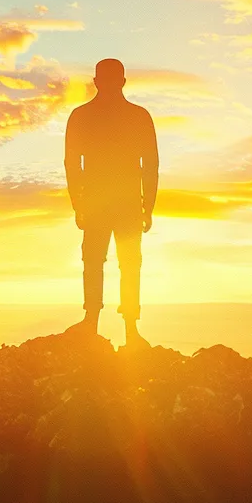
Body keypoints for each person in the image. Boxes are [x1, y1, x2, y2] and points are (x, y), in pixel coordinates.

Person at [64, 58, 157, 347]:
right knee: (129, 263)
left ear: (96, 82)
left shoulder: (80, 116)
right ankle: (129, 329)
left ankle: (92, 322)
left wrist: (77, 202)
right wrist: (148, 206)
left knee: (93, 261)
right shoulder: (139, 116)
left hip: (95, 200)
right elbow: (151, 166)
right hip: (127, 201)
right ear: (123, 81)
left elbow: (71, 164)